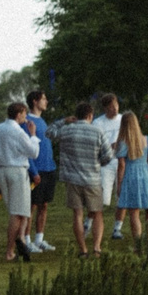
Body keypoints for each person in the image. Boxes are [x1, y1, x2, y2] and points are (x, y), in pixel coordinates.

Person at [50, 101, 114, 256]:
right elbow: (108, 155)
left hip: (72, 179)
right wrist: (98, 163)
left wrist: (64, 121)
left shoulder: (67, 130)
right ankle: (97, 248)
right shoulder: (98, 131)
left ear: (76, 116)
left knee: (77, 215)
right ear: (90, 115)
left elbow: (49, 132)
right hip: (93, 179)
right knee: (97, 213)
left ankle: (83, 249)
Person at [0, 101, 40, 262]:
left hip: (2, 171)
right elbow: (33, 152)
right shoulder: (18, 131)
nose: (25, 116)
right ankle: (10, 251)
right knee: (17, 213)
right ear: (18, 114)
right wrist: (33, 135)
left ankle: (21, 240)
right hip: (17, 171)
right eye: (24, 113)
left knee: (22, 210)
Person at [114, 108, 148, 241]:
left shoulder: (123, 142)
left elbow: (122, 164)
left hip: (130, 175)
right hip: (145, 175)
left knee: (134, 211)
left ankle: (138, 241)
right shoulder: (147, 140)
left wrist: (119, 184)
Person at [24, 89, 58, 253]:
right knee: (31, 206)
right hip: (36, 171)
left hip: (49, 169)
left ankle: (39, 239)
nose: (46, 102)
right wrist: (34, 171)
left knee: (44, 205)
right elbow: (27, 149)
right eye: (43, 99)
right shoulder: (27, 122)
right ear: (35, 101)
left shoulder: (42, 121)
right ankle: (26, 240)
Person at [93, 93, 124, 235]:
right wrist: (108, 146)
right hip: (106, 163)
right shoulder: (98, 123)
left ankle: (117, 228)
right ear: (105, 108)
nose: (115, 109)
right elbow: (95, 145)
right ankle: (89, 222)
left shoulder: (123, 119)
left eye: (116, 105)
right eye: (111, 107)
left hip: (122, 161)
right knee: (103, 199)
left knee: (122, 196)